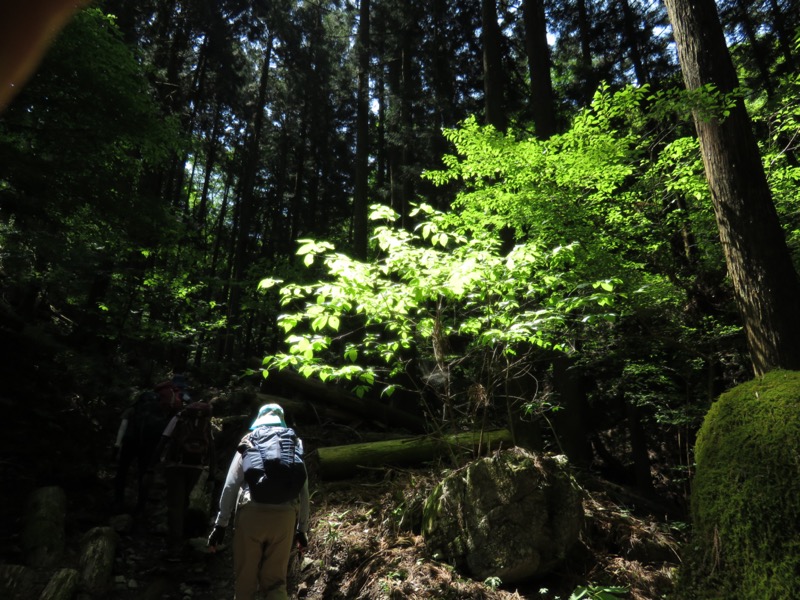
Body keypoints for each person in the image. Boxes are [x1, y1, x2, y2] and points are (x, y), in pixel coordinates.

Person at [207, 404, 310, 600]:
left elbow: (231, 485)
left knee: (245, 580)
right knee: (276, 582)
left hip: (251, 514)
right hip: (285, 517)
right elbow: (303, 491)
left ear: (259, 420)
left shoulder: (249, 441)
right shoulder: (292, 443)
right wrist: (302, 529)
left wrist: (221, 524)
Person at [155, 396, 216, 555]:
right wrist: (212, 472)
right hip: (196, 466)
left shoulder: (179, 418)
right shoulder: (205, 423)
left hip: (175, 464)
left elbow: (164, 439)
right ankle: (183, 533)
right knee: (184, 499)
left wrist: (154, 463)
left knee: (175, 503)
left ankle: (175, 544)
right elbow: (211, 447)